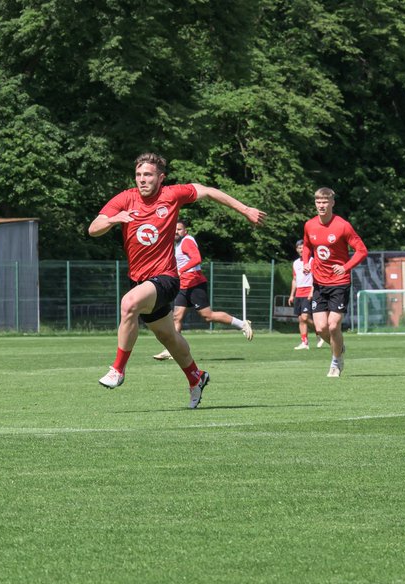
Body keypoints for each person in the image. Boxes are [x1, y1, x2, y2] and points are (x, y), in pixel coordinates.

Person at [88, 152, 265, 408]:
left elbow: (209, 191)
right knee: (169, 337)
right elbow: (94, 228)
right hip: (140, 281)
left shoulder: (172, 195)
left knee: (128, 304)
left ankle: (118, 369)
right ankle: (196, 377)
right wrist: (115, 219)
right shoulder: (125, 198)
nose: (142, 179)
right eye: (138, 175)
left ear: (161, 178)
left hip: (166, 278)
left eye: (148, 175)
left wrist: (245, 209)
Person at [151, 221, 254, 360]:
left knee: (208, 316)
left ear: (185, 231)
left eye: (179, 229)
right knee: (177, 317)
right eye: (174, 229)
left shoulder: (187, 241)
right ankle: (171, 350)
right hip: (183, 286)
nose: (176, 232)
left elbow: (197, 258)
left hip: (195, 283)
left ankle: (242, 324)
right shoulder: (176, 244)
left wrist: (181, 270)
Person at [302, 187, 364, 377]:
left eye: (325, 201)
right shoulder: (309, 225)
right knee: (321, 329)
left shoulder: (343, 226)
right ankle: (339, 347)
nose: (321, 205)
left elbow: (362, 250)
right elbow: (306, 246)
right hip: (319, 283)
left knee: (333, 325)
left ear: (332, 203)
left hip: (339, 281)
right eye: (318, 202)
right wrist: (306, 262)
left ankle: (336, 362)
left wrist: (345, 267)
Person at [287, 239, 317, 350]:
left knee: (305, 317)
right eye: (299, 248)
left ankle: (320, 332)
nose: (301, 250)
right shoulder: (295, 263)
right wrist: (291, 295)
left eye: (303, 248)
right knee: (301, 319)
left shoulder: (312, 261)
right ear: (296, 249)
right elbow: (294, 279)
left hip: (308, 291)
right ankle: (304, 342)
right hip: (299, 293)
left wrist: (311, 291)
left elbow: (316, 277)